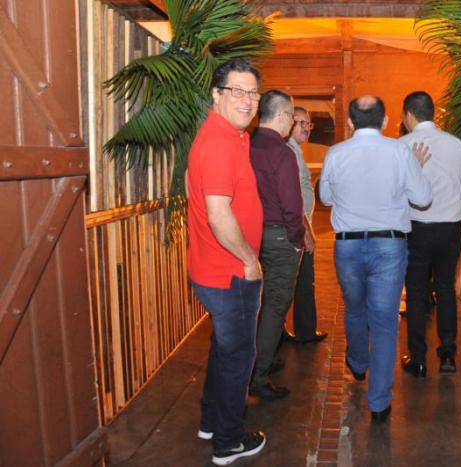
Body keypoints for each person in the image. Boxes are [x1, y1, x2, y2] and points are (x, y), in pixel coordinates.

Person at [319, 95, 432, 423]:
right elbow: (423, 198)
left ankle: (358, 362)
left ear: (349, 122)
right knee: (384, 322)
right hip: (389, 246)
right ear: (384, 122)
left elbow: (325, 197)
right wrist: (414, 170)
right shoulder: (400, 152)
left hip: (348, 246)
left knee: (354, 308)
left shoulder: (335, 153)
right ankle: (379, 404)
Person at [186, 58, 266, 465]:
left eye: (253, 92)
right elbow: (219, 215)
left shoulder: (228, 135)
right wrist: (249, 260)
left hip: (214, 269)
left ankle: (210, 421)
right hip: (230, 272)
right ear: (216, 94)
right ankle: (229, 441)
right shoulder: (220, 142)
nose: (247, 99)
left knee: (223, 349)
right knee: (237, 358)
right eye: (237, 90)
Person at [399, 91, 461, 377]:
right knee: (445, 289)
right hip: (450, 229)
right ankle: (448, 354)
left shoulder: (403, 146)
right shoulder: (459, 146)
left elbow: (395, 193)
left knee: (416, 293)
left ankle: (418, 359)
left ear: (409, 115)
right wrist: (453, 219)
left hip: (416, 229)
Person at [249, 90, 306, 401]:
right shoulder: (282, 153)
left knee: (256, 303)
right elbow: (291, 205)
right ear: (283, 115)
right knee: (276, 304)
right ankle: (257, 376)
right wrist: (297, 238)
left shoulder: (247, 144)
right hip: (279, 235)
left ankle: (260, 358)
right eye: (293, 117)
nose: (292, 124)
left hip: (250, 234)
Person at [286, 106, 328, 343]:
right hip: (297, 228)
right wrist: (307, 230)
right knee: (302, 282)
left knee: (299, 281)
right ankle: (304, 332)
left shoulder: (296, 151)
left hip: (298, 225)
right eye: (300, 123)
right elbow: (291, 196)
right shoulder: (289, 152)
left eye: (308, 123)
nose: (306, 128)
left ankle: (294, 330)